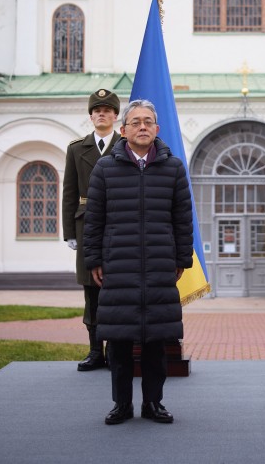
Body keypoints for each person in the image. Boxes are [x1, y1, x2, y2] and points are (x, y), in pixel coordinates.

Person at [82, 99, 195, 425]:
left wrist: (181, 259)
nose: (142, 127)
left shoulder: (172, 167)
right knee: (118, 344)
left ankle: (153, 404)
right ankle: (121, 405)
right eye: (136, 122)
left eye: (148, 122)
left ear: (157, 129)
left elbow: (182, 218)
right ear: (123, 130)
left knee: (156, 342)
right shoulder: (105, 168)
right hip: (118, 266)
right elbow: (94, 219)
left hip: (160, 267)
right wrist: (93, 259)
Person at [62, 88, 120, 371]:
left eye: (107, 110)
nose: (102, 114)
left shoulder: (125, 145)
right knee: (92, 293)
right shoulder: (76, 148)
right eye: (97, 111)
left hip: (120, 225)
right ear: (90, 116)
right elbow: (69, 192)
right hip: (87, 226)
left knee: (118, 290)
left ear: (115, 116)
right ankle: (96, 351)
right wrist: (69, 232)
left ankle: (117, 351)